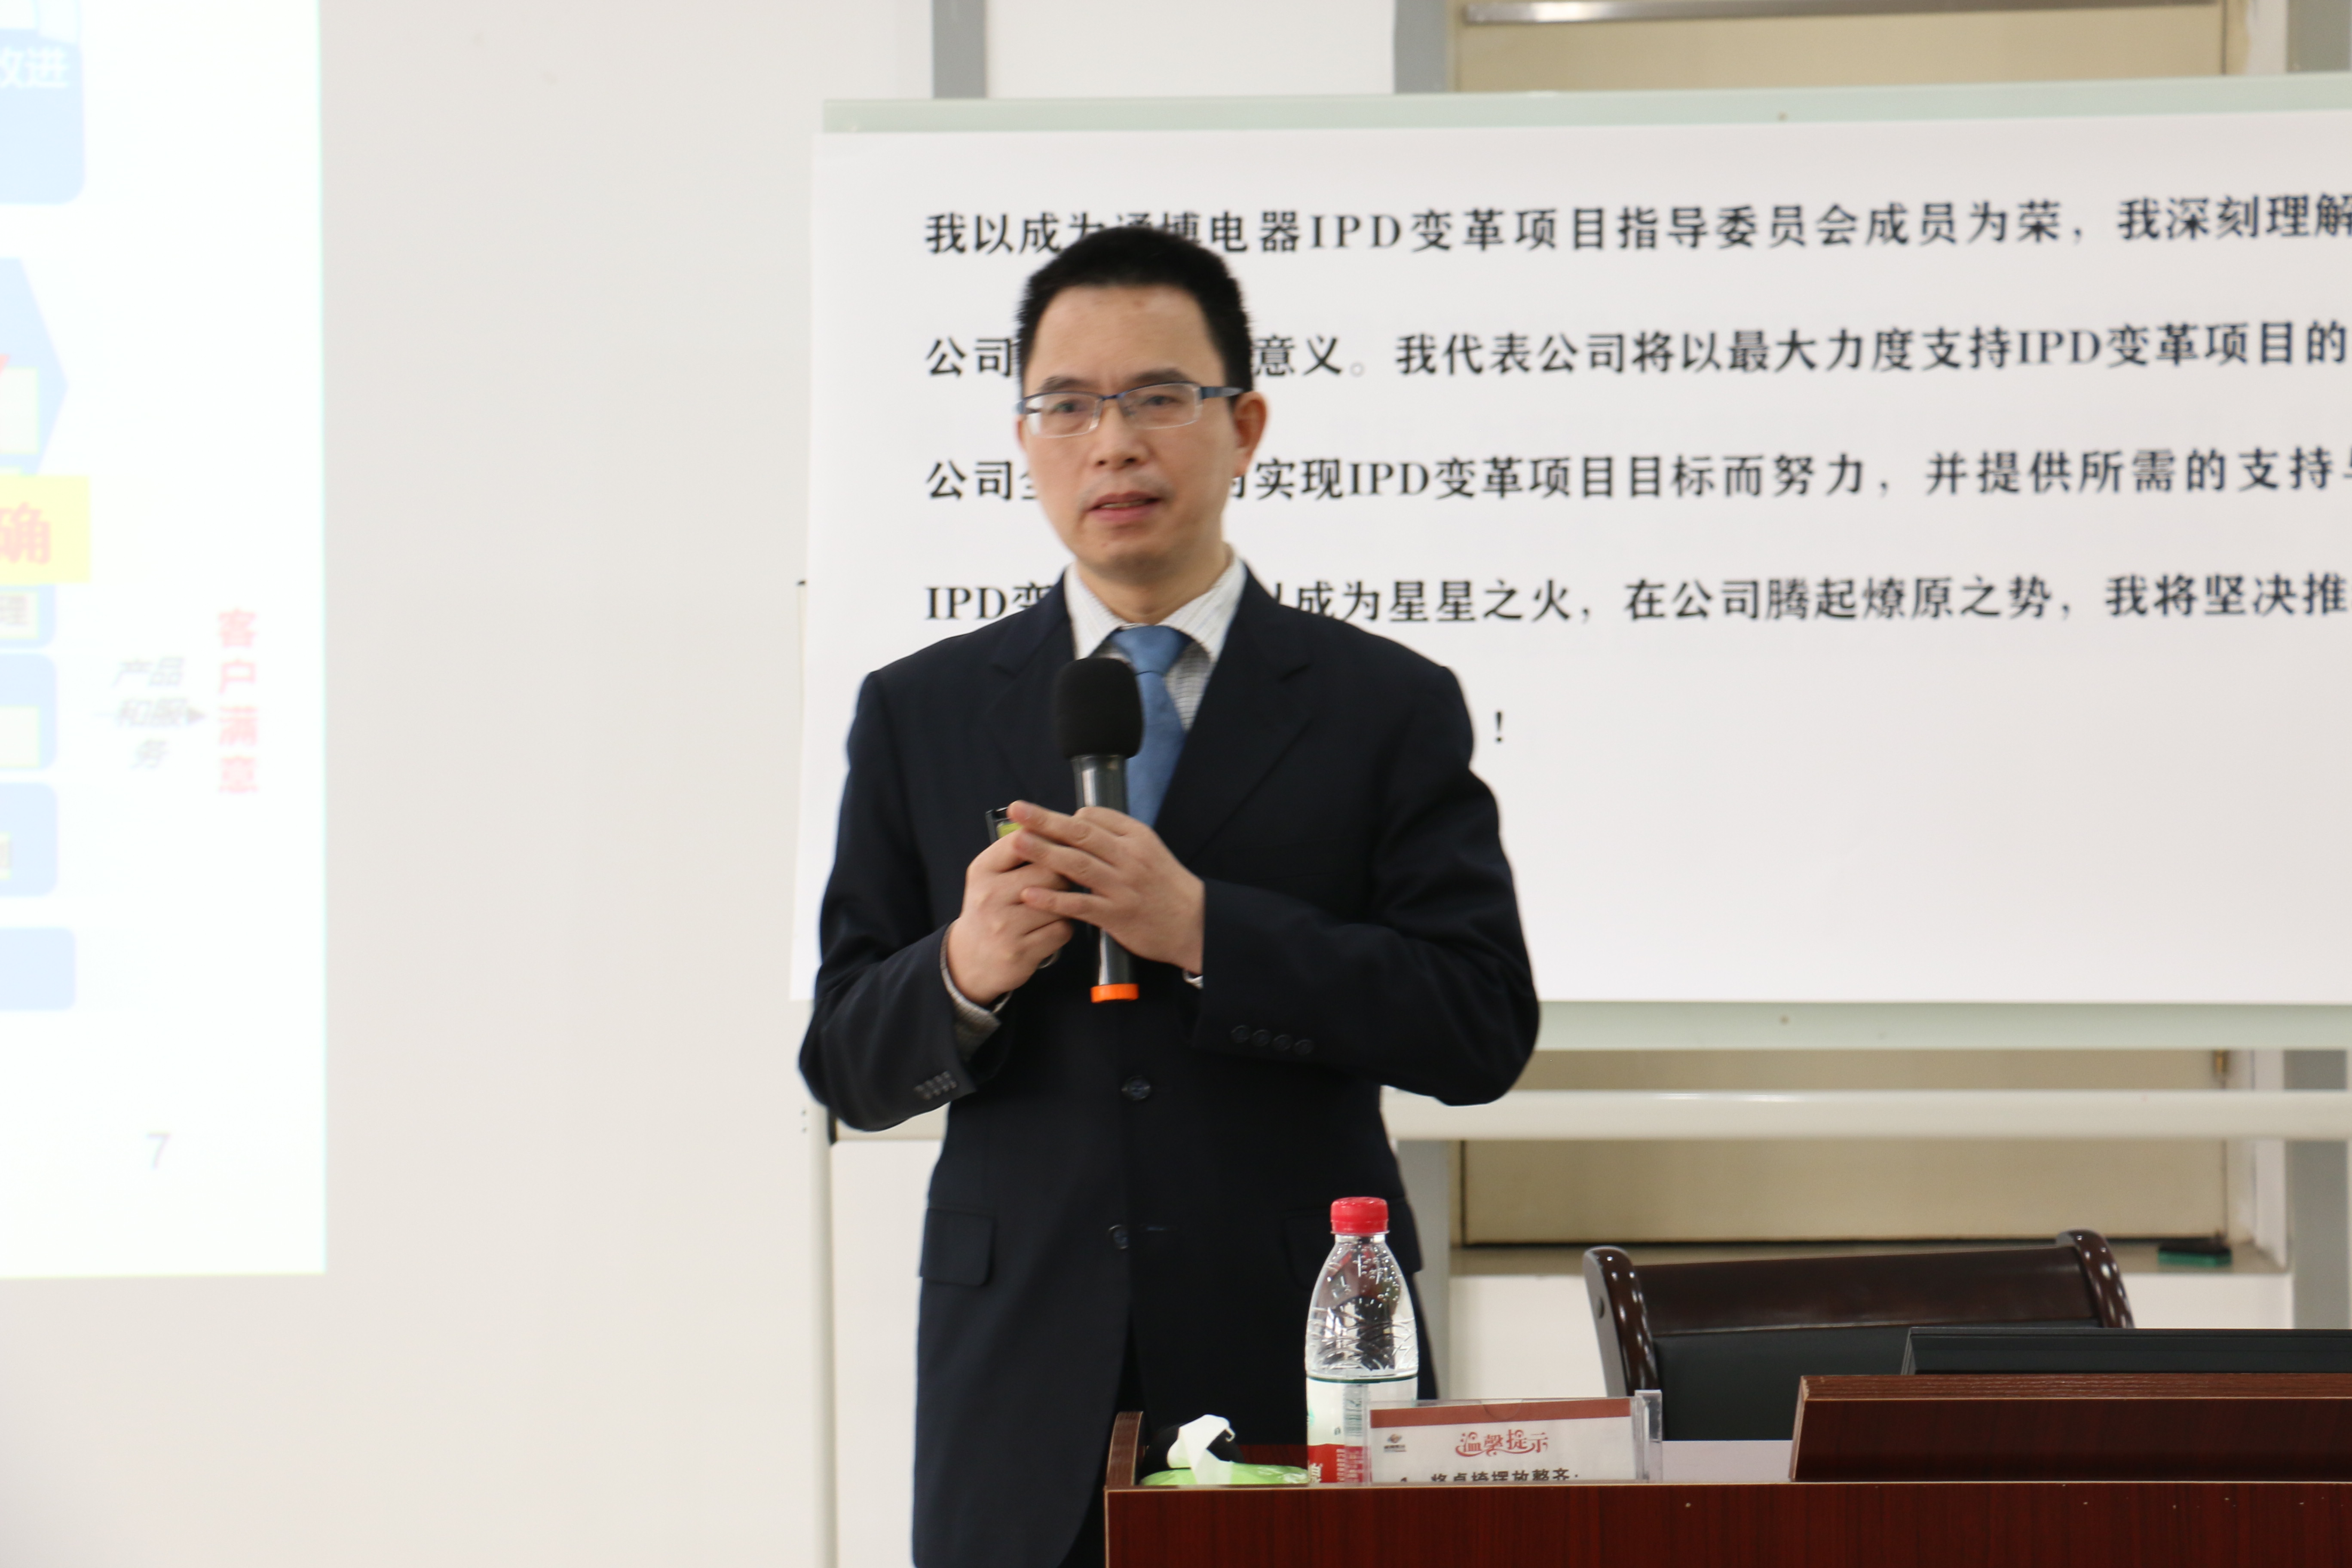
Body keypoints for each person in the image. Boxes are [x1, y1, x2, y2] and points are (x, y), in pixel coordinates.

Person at [800, 226, 1537, 1568]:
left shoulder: (1381, 705)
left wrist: (1207, 932)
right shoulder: (923, 710)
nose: (1113, 444)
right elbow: (847, 1061)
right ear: (1024, 441)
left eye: (1157, 397)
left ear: (1244, 425)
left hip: (1298, 1356)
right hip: (1017, 1381)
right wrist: (964, 970)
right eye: (1068, 406)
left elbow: (1479, 1027)